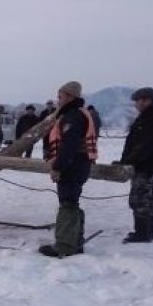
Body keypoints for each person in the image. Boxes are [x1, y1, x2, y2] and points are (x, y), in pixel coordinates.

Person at [38, 81, 98, 258]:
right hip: (78, 164)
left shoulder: (72, 116)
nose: (58, 100)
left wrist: (57, 167)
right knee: (72, 202)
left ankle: (64, 245)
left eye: (61, 96)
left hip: (72, 165)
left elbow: (69, 145)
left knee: (67, 204)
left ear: (71, 96)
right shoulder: (77, 114)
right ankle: (75, 242)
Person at [116, 87, 153, 243]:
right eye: (136, 101)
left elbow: (145, 146)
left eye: (141, 100)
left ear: (149, 100)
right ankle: (146, 232)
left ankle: (143, 233)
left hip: (148, 166)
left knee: (140, 198)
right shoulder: (147, 117)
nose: (138, 104)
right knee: (146, 197)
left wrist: (128, 161)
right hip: (144, 165)